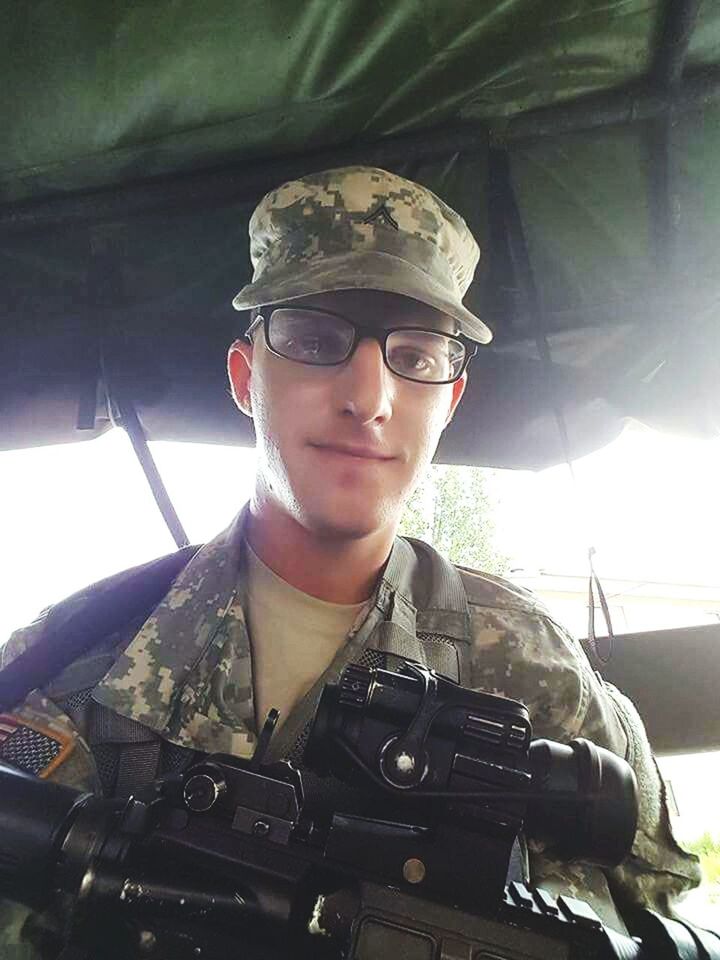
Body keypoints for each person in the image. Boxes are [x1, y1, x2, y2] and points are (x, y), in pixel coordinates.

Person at [0, 166, 700, 956]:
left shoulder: (536, 672)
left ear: (451, 401)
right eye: (313, 339)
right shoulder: (70, 664)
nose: (369, 396)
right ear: (244, 375)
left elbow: (662, 912)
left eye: (419, 353)